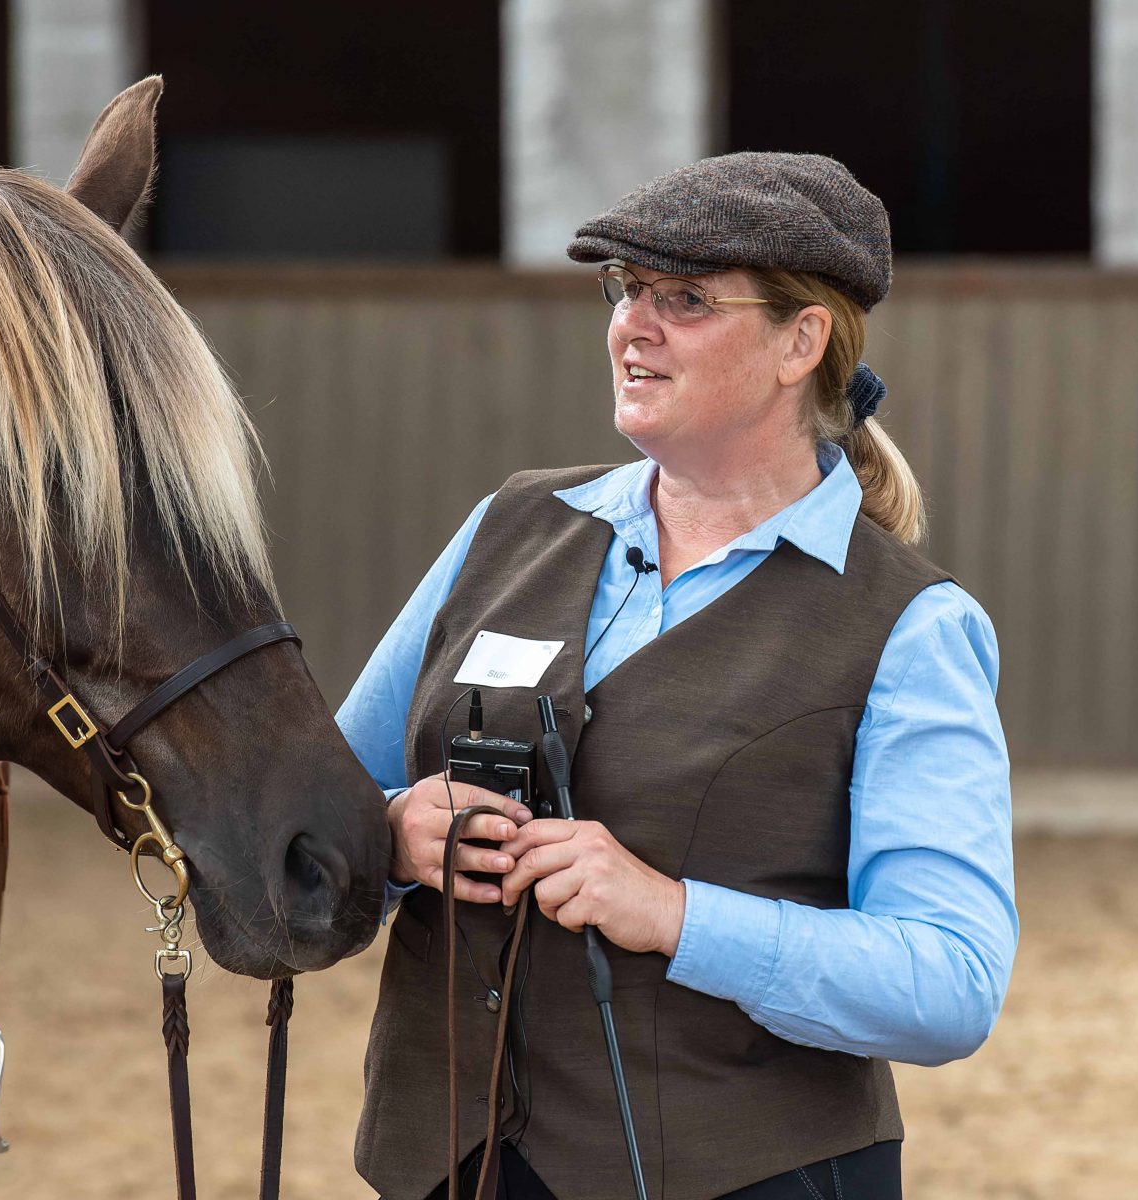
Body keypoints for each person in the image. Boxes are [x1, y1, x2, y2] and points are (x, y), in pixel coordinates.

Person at [337, 153, 1017, 1200]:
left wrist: (672, 914)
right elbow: (320, 803)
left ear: (802, 340)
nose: (631, 326)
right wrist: (389, 834)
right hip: (445, 1166)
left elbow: (947, 985)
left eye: (685, 300)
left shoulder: (911, 627)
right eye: (626, 291)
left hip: (748, 1177)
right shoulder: (507, 524)